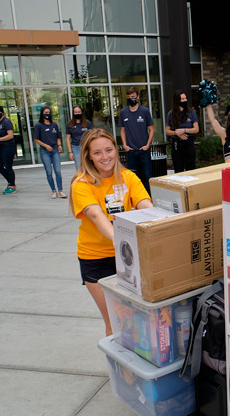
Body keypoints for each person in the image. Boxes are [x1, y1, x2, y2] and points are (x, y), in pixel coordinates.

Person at [69, 129, 153, 336]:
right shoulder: (81, 184)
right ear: (88, 155)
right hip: (97, 259)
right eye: (97, 153)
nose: (105, 157)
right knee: (116, 321)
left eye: (109, 150)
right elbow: (98, 217)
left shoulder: (128, 177)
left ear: (116, 150)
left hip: (128, 257)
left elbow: (147, 207)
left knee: (137, 318)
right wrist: (123, 241)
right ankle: (119, 367)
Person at [119, 87, 155, 191]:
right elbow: (122, 130)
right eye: (129, 97)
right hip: (131, 151)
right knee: (133, 177)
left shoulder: (144, 111)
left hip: (143, 150)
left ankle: (149, 198)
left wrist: (148, 145)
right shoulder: (123, 112)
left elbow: (152, 129)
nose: (131, 99)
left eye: (133, 97)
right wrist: (125, 145)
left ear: (138, 97)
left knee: (147, 176)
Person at [34, 106, 66, 199]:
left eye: (48, 112)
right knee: (49, 172)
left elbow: (58, 137)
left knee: (57, 171)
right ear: (42, 114)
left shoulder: (54, 125)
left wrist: (59, 145)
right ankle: (53, 190)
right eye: (45, 112)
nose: (47, 114)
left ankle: (60, 190)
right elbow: (36, 139)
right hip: (45, 151)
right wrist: (45, 146)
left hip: (55, 150)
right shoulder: (38, 125)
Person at [165, 90, 199, 172]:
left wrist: (184, 130)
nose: (185, 100)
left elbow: (196, 129)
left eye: (185, 98)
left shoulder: (191, 112)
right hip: (176, 144)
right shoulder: (171, 114)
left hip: (189, 142)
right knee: (178, 169)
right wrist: (176, 133)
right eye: (182, 99)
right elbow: (167, 131)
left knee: (191, 168)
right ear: (177, 101)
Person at [0, 105, 16, 194]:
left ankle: (12, 185)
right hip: (1, 146)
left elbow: (10, 135)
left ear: (2, 112)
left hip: (8, 146)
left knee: (8, 166)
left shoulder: (6, 122)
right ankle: (10, 181)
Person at [65, 105, 93, 171]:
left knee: (89, 165)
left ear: (81, 112)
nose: (77, 113)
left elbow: (91, 135)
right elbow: (67, 138)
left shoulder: (87, 123)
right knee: (79, 167)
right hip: (76, 148)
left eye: (79, 112)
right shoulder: (69, 124)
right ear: (73, 113)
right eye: (76, 112)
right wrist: (70, 152)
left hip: (86, 146)